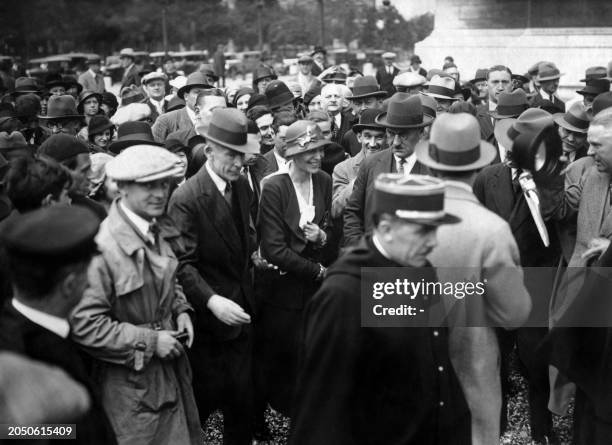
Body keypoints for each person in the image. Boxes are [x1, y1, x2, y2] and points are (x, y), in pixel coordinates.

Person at [290, 173, 470, 445]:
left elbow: (436, 358)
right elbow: (321, 407)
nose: (434, 241)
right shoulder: (344, 295)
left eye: (436, 230)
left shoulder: (421, 268)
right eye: (423, 231)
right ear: (385, 228)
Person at [70, 145, 200, 445]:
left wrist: (180, 309)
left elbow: (166, 278)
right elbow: (85, 325)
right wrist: (152, 342)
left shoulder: (151, 226)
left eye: (164, 184)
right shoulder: (104, 247)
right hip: (131, 386)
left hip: (168, 376)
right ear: (122, 188)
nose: (159, 193)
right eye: (148, 185)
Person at [416, 112, 531, 445]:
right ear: (476, 167)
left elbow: (383, 303)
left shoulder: (401, 219)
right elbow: (513, 315)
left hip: (414, 367)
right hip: (473, 366)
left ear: (432, 162)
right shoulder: (491, 230)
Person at [168, 108, 260, 444]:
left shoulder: (241, 187)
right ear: (209, 151)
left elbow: (243, 241)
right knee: (203, 404)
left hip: (241, 313)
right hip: (208, 326)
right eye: (231, 155)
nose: (239, 163)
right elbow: (181, 263)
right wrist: (211, 300)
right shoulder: (187, 197)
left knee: (242, 404)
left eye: (243, 155)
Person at [474, 108, 563, 445]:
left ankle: (542, 429)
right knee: (492, 358)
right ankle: (493, 426)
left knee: (536, 360)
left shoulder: (554, 180)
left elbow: (558, 233)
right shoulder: (489, 177)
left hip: (534, 286)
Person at [0, 205, 117, 444]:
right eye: (87, 272)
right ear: (70, 285)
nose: (89, 282)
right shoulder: (32, 353)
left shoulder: (12, 328)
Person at [258, 119, 333, 418]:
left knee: (315, 357)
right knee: (284, 361)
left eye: (319, 150)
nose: (316, 157)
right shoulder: (274, 186)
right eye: (309, 152)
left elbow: (330, 232)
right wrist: (318, 271)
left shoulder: (324, 180)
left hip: (315, 291)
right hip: (283, 291)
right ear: (291, 154)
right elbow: (275, 249)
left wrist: (323, 237)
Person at [343, 94, 433, 246]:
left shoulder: (434, 169)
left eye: (403, 135)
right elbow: (353, 213)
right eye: (391, 133)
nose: (396, 143)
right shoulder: (370, 164)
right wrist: (362, 249)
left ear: (422, 133)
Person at [332, 108, 385, 218]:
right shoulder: (343, 169)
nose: (373, 143)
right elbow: (336, 210)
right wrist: (360, 178)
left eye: (379, 137)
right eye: (368, 136)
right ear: (359, 137)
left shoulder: (396, 165)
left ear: (387, 138)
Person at [152, 71, 214, 142]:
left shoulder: (214, 119)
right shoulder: (165, 120)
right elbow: (154, 149)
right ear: (186, 96)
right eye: (197, 92)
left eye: (206, 93)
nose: (202, 96)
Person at [476, 65, 513, 145]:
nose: (500, 87)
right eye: (495, 82)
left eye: (505, 82)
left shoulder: (523, 115)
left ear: (512, 85)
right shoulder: (475, 115)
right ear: (486, 85)